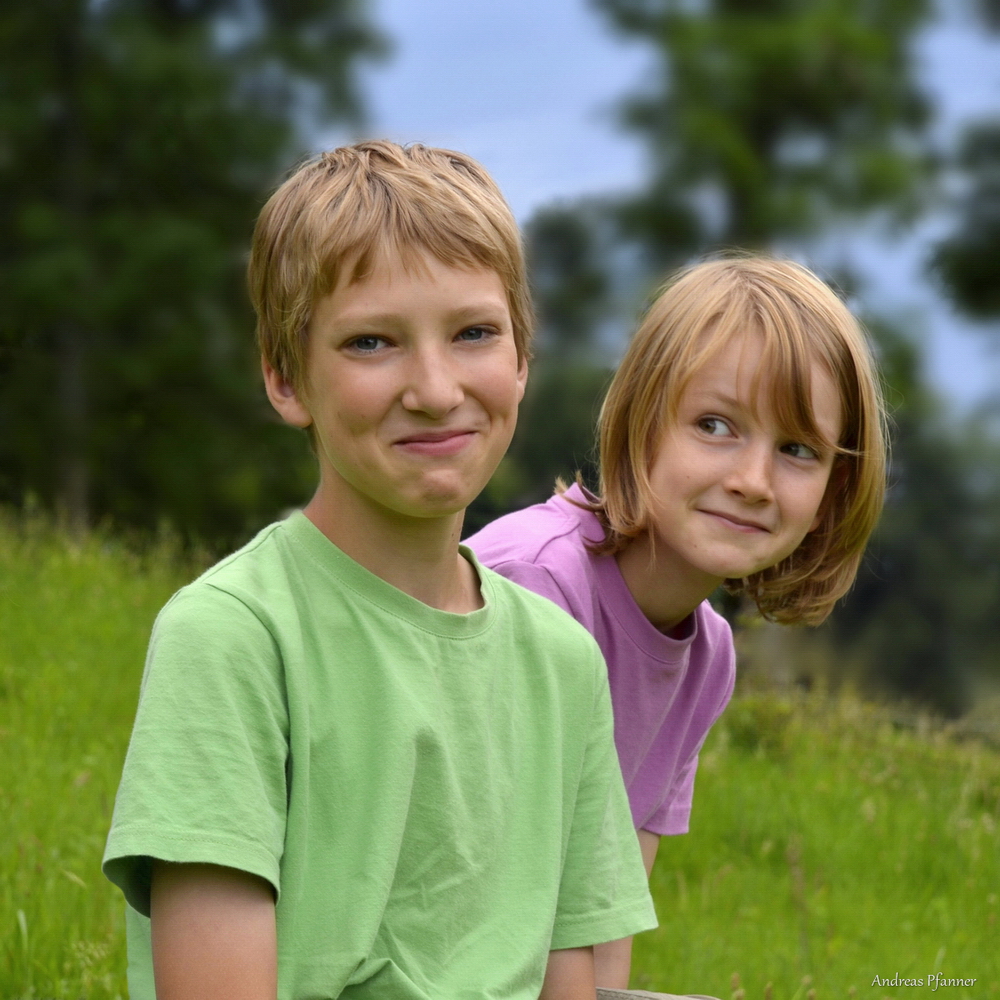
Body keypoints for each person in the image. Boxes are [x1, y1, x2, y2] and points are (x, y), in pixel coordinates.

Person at [102, 140, 656, 1000]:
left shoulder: (563, 662)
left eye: (474, 333)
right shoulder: (232, 637)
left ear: (522, 359)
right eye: (372, 342)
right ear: (287, 381)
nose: (435, 389)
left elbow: (568, 981)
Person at [467, 255, 887, 988]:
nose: (752, 481)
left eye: (796, 450)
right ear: (643, 422)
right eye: (715, 425)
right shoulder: (534, 584)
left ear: (833, 488)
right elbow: (463, 884)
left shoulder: (709, 659)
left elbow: (608, 903)